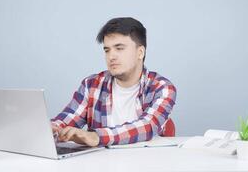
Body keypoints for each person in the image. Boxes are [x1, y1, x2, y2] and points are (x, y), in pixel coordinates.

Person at [51, 17, 177, 147]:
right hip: (101, 165)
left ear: (140, 52)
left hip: (148, 163)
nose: (111, 56)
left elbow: (147, 126)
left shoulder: (162, 88)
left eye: (119, 48)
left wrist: (96, 137)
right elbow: (66, 121)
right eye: (107, 50)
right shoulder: (91, 85)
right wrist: (51, 129)